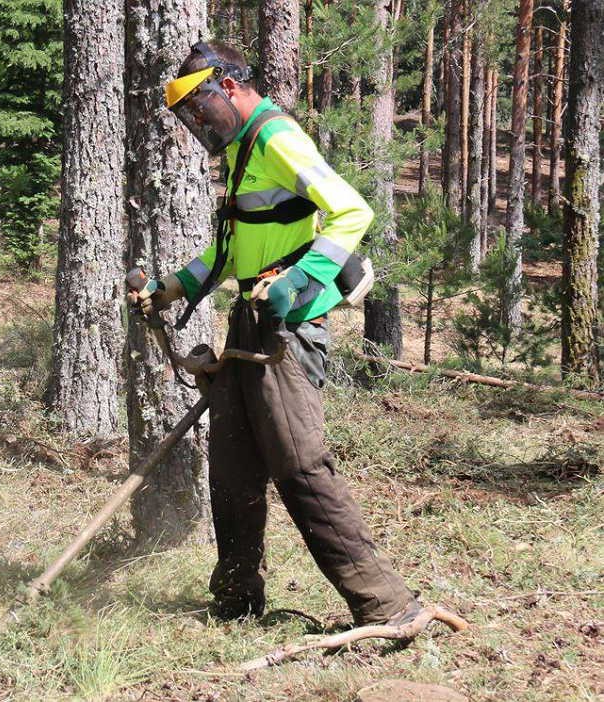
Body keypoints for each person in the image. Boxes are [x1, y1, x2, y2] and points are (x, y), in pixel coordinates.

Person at [127, 40, 420, 627]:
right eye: (188, 116)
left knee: (300, 464)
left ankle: (384, 604)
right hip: (248, 322)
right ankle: (235, 600)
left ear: (228, 88)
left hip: (285, 329)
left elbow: (351, 211)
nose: (197, 123)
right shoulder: (241, 150)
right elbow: (231, 250)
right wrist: (168, 290)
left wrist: (300, 279)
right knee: (232, 466)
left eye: (200, 108)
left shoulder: (276, 137)